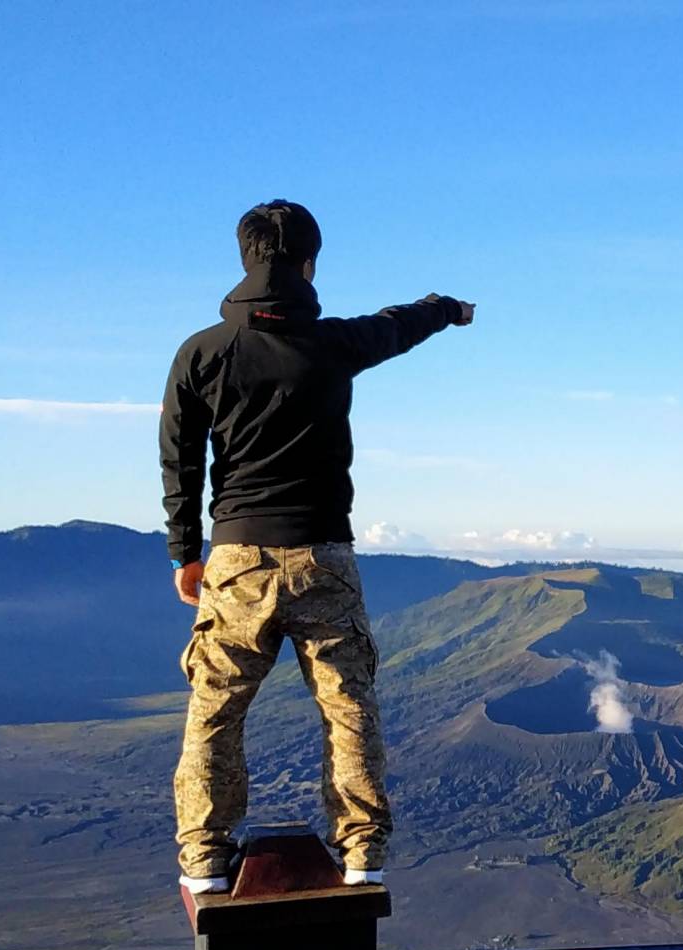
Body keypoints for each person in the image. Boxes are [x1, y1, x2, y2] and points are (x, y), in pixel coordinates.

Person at [159, 199, 473, 894]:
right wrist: (445, 307)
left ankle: (205, 859)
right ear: (308, 264)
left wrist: (187, 553)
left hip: (236, 561)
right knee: (347, 704)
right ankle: (362, 853)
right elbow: (396, 327)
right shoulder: (334, 345)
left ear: (244, 261)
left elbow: (178, 459)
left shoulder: (201, 353)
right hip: (324, 556)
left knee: (215, 709)